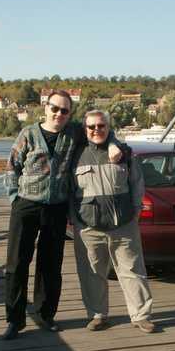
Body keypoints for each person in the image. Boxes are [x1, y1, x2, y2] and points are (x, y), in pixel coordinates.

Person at [3, 90, 123, 340]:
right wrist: (15, 197)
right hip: (26, 205)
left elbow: (101, 130)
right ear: (45, 108)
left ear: (70, 114)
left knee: (50, 264)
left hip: (57, 207)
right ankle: (15, 320)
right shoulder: (28, 133)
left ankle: (45, 315)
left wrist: (112, 144)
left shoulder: (74, 132)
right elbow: (12, 165)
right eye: (55, 108)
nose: (59, 114)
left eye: (64, 110)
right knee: (17, 263)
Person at [70, 109, 155, 333]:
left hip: (124, 224)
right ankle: (97, 315)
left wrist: (135, 212)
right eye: (91, 127)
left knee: (132, 271)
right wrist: (75, 221)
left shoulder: (124, 152)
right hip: (88, 227)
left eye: (101, 126)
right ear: (85, 129)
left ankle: (141, 316)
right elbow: (68, 190)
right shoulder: (75, 155)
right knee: (91, 273)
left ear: (108, 127)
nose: (96, 130)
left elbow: (137, 183)